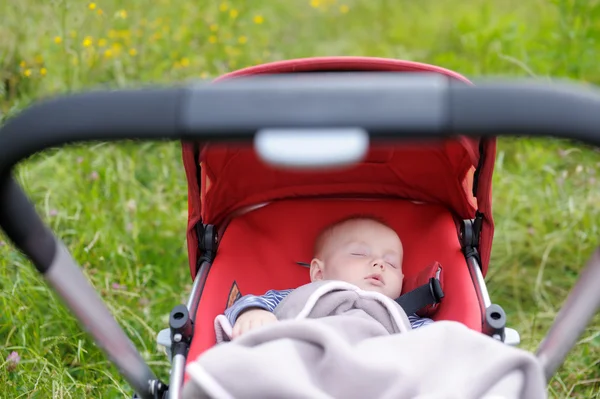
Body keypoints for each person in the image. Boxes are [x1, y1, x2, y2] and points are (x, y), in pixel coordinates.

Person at [224, 215, 434, 339]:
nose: (380, 264)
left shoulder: (402, 316)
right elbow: (249, 303)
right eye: (359, 254)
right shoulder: (299, 297)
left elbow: (434, 343)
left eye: (391, 263)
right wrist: (252, 314)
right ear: (318, 273)